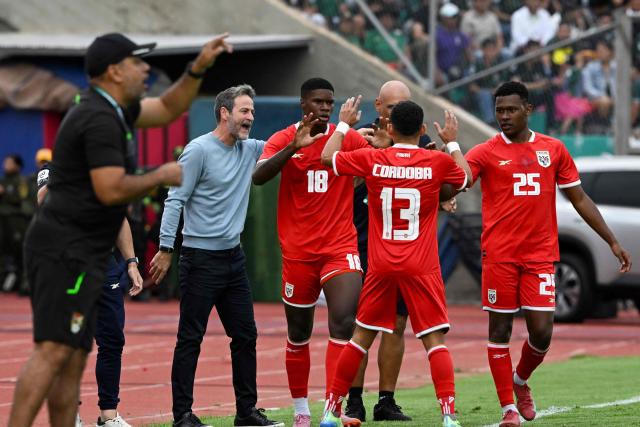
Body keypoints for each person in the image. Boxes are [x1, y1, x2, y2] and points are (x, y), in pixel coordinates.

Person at [9, 33, 185, 427]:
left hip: (98, 259)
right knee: (57, 350)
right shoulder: (83, 128)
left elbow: (117, 208)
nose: (145, 71)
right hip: (66, 254)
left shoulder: (113, 118)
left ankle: (105, 413)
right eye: (136, 64)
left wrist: (132, 262)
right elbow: (68, 198)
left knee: (89, 346)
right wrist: (159, 174)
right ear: (113, 71)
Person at [464, 81, 631, 427]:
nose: (504, 116)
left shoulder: (553, 149)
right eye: (499, 110)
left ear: (528, 110)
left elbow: (579, 198)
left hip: (540, 255)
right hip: (499, 255)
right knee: (499, 330)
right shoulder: (485, 151)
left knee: (542, 333)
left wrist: (611, 240)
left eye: (511, 110)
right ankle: (508, 408)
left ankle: (520, 381)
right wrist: (449, 171)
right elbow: (460, 179)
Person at [318, 99, 472, 427]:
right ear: (421, 129)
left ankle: (331, 411)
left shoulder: (373, 159)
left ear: (389, 128)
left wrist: (343, 124)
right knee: (433, 340)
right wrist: (453, 141)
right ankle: (448, 416)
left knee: (360, 338)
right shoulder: (435, 162)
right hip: (421, 264)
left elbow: (327, 157)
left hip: (381, 263)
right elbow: (466, 177)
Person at [252, 78, 384, 427]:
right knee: (298, 334)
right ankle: (300, 410)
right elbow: (259, 177)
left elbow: (376, 164)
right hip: (298, 252)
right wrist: (292, 148)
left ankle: (332, 407)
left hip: (340, 246)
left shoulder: (347, 137)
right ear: (303, 104)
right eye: (318, 101)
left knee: (343, 322)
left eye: (329, 102)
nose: (325, 107)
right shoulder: (284, 137)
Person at [150, 84, 284, 427]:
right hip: (200, 260)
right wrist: (166, 249)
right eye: (244, 111)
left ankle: (246, 412)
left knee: (245, 335)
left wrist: (333, 128)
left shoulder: (250, 149)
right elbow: (174, 200)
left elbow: (286, 144)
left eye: (252, 112)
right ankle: (182, 416)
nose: (250, 118)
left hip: (233, 260)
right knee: (190, 338)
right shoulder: (198, 151)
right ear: (224, 112)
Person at [345, 80, 455, 422]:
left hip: (405, 248)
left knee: (396, 323)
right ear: (379, 107)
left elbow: (447, 184)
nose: (395, 112)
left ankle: (385, 400)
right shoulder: (359, 138)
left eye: (402, 105)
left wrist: (446, 194)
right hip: (363, 239)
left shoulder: (419, 143)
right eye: (391, 106)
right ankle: (353, 400)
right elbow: (341, 180)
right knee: (360, 326)